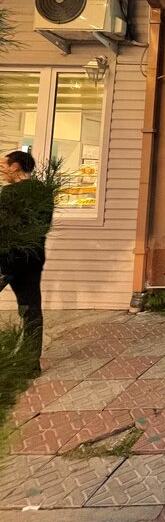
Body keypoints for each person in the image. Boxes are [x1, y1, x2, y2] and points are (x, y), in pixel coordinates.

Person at [0, 150, 54, 370]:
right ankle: (31, 364)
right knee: (32, 309)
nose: (2, 171)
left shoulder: (9, 194)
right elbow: (44, 226)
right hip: (32, 259)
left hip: (7, 260)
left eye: (4, 166)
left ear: (15, 167)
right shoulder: (44, 192)